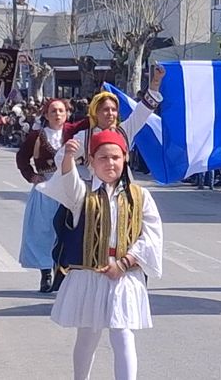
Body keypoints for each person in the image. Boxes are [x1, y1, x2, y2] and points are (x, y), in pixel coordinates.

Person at [39, 130, 163, 380]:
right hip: (89, 274)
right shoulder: (82, 194)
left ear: (125, 158)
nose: (110, 163)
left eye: (115, 157)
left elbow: (151, 236)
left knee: (123, 333)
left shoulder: (140, 196)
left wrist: (125, 263)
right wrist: (68, 157)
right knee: (88, 335)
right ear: (92, 161)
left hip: (124, 274)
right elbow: (67, 182)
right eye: (103, 158)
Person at [16, 99, 88, 292]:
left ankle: (64, 273)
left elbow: (93, 120)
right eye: (53, 111)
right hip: (46, 188)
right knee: (44, 231)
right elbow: (22, 157)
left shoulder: (72, 131)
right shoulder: (36, 136)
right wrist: (31, 176)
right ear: (46, 115)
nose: (57, 115)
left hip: (69, 186)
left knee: (70, 229)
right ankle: (46, 273)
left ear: (67, 114)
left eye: (61, 111)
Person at [54, 65, 166, 180]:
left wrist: (156, 82)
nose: (110, 113)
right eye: (105, 109)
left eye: (114, 109)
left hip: (124, 188)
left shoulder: (124, 131)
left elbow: (143, 111)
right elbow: (59, 159)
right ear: (95, 112)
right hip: (97, 188)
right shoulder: (85, 136)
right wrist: (79, 182)